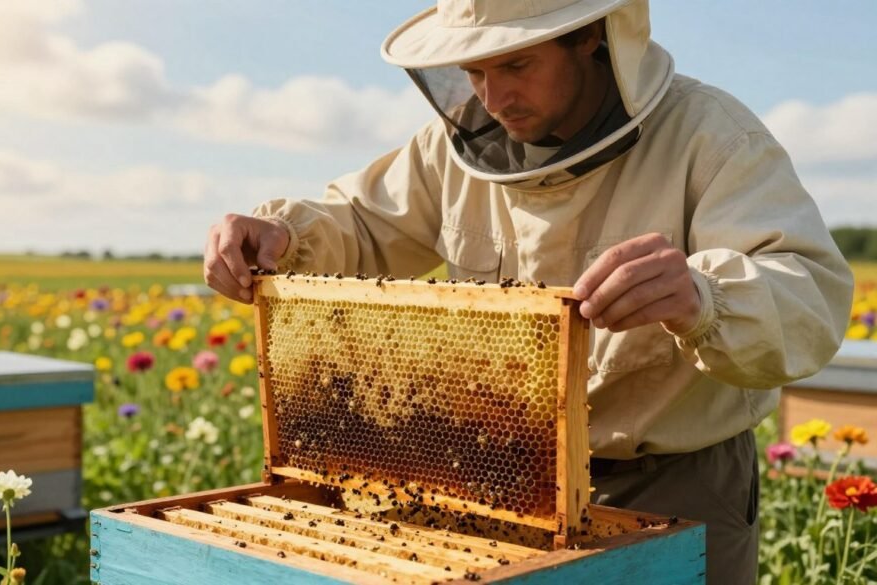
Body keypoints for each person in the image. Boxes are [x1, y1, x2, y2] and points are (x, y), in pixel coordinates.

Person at [203, 1, 853, 582]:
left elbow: (811, 297)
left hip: (676, 481)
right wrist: (284, 233)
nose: (492, 96)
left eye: (516, 64)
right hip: (496, 477)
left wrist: (704, 296)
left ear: (592, 36)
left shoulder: (710, 136)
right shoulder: (451, 148)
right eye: (474, 72)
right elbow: (364, 222)